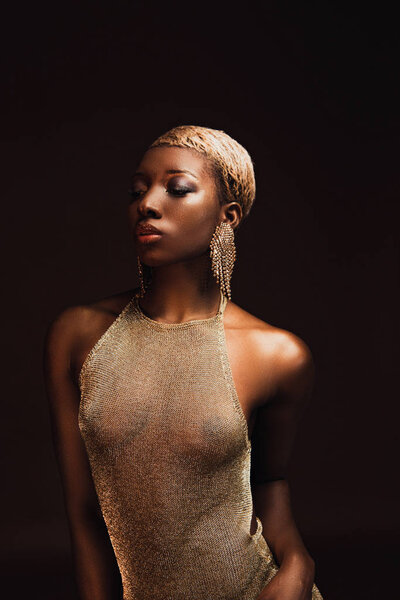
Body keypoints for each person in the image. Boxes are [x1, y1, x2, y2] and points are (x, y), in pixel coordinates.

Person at [43, 125, 325, 600]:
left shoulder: (277, 354)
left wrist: (298, 563)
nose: (147, 204)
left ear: (228, 216)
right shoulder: (79, 335)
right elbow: (83, 510)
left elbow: (270, 481)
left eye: (176, 189)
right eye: (137, 190)